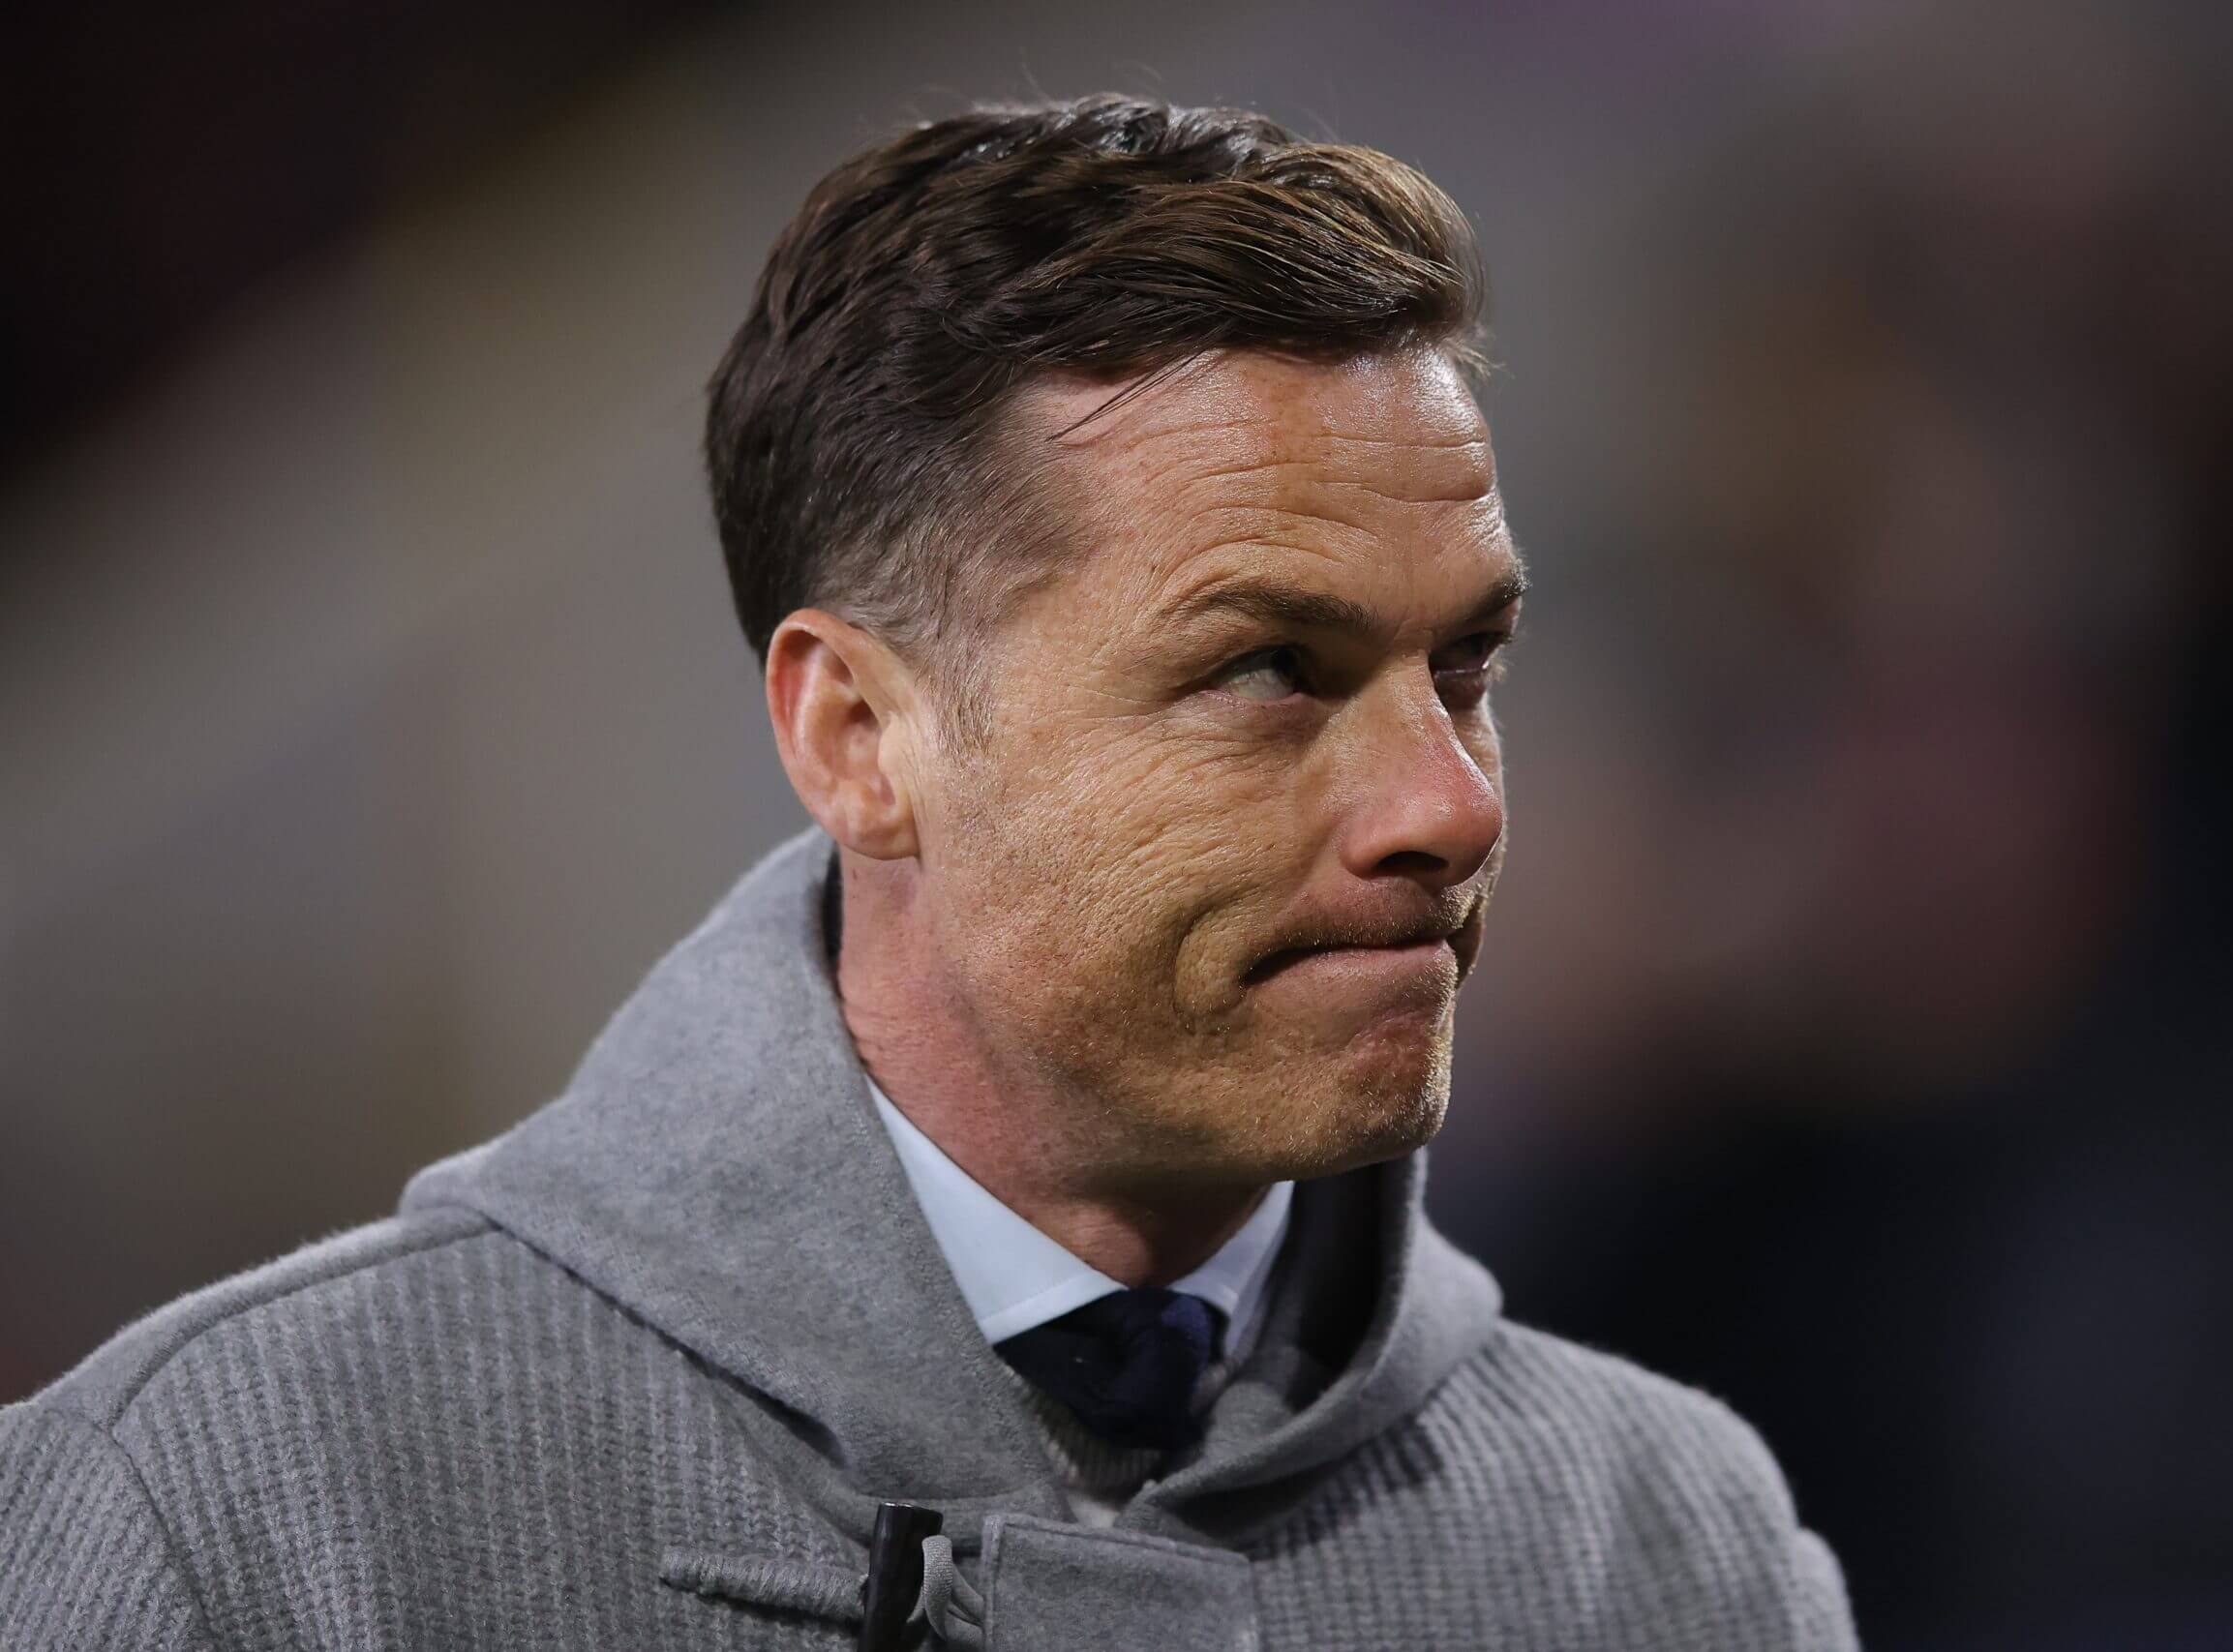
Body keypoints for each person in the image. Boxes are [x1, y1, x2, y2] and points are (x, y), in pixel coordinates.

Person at [0, 97, 1856, 1649]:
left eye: (1465, 667)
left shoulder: (1675, 1553)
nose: (1445, 804)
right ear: (857, 738)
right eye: (1270, 670)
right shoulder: (234, 1523)